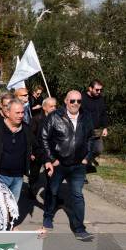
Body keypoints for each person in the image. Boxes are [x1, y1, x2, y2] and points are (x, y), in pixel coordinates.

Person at [41, 90, 94, 240]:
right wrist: (51, 158)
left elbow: (91, 138)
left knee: (77, 195)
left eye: (78, 101)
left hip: (78, 165)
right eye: (72, 101)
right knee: (53, 191)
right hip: (59, 164)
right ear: (66, 101)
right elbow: (44, 138)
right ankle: (48, 216)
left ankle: (79, 228)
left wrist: (87, 157)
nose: (75, 104)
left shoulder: (86, 117)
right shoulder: (54, 116)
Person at [0, 99, 35, 201]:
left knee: (13, 208)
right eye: (17, 113)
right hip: (0, 176)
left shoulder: (26, 129)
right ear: (7, 113)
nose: (21, 115)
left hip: (18, 177)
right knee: (1, 208)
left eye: (22, 112)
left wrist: (47, 160)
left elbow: (37, 146)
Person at [28, 97, 57, 198]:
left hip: (50, 152)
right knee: (34, 173)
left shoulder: (57, 119)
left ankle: (52, 195)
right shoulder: (36, 119)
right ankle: (31, 189)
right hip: (37, 151)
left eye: (55, 106)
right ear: (44, 107)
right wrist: (31, 152)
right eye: (51, 106)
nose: (54, 108)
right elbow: (31, 137)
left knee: (51, 174)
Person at [81, 79, 109, 166]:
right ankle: (82, 175)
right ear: (90, 88)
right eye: (97, 89)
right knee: (86, 151)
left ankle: (89, 159)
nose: (99, 91)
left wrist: (105, 127)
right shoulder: (81, 98)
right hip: (84, 130)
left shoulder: (100, 99)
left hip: (96, 130)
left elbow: (103, 113)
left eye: (100, 90)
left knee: (98, 149)